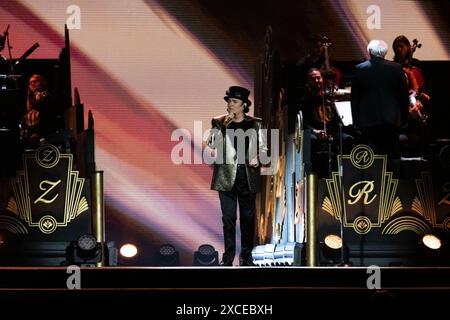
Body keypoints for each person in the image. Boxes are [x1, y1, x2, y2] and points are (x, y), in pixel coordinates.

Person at [207, 86, 268, 266]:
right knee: (229, 219)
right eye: (229, 101)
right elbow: (211, 143)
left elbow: (264, 149)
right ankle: (228, 257)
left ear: (244, 105)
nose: (230, 104)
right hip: (226, 178)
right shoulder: (218, 121)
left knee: (248, 219)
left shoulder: (256, 123)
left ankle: (246, 256)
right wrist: (223, 125)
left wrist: (259, 157)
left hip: (247, 176)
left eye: (234, 101)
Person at [351, 40, 409, 160]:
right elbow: (404, 96)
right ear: (385, 53)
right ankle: (394, 178)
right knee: (392, 157)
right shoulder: (397, 68)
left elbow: (355, 99)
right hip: (391, 121)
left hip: (368, 122)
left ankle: (373, 179)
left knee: (371, 158)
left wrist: (356, 121)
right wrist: (404, 119)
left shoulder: (360, 69)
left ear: (369, 52)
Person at [392, 35, 430, 156]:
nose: (399, 49)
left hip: (414, 102)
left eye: (401, 46)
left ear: (408, 47)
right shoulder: (393, 66)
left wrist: (421, 94)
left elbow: (420, 88)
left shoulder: (417, 66)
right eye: (396, 47)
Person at [21, 74, 61, 149]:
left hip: (45, 134)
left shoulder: (46, 96)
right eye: (31, 82)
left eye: (36, 81)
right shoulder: (31, 101)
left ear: (42, 83)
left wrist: (39, 99)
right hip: (32, 134)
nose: (33, 83)